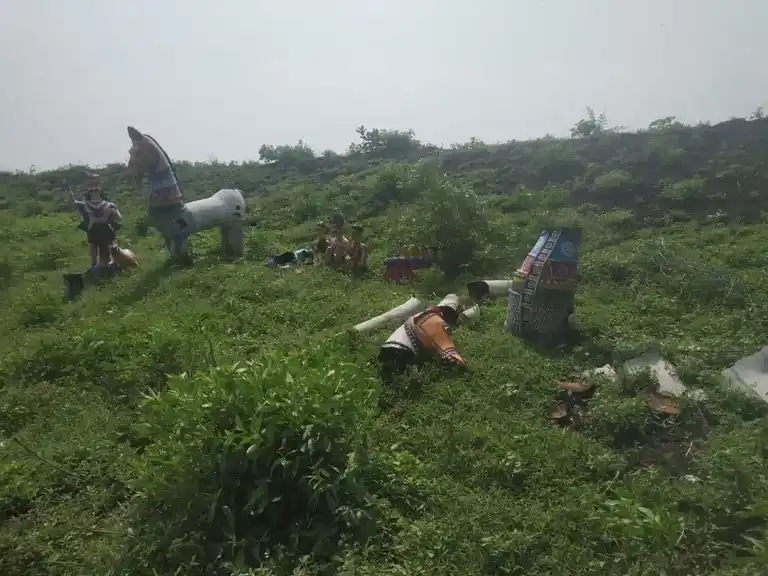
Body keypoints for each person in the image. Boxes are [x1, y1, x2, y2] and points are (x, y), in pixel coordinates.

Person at [82, 174, 122, 269]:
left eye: (96, 185)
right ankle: (94, 267)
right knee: (93, 250)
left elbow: (119, 217)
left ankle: (114, 265)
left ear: (100, 187)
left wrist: (113, 213)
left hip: (107, 230)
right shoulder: (85, 205)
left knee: (111, 251)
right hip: (93, 231)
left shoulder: (109, 204)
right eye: (91, 186)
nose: (94, 189)